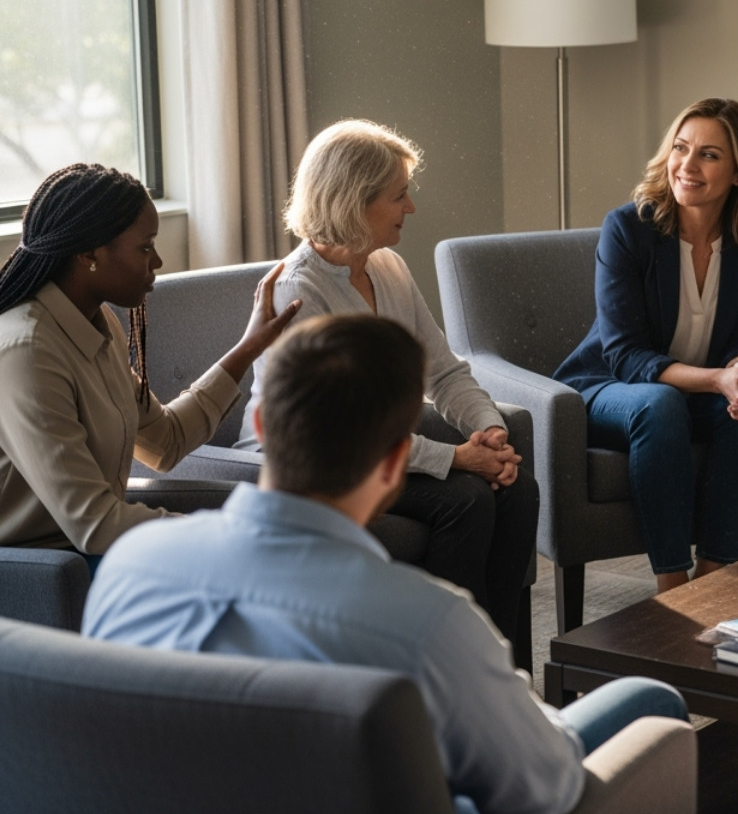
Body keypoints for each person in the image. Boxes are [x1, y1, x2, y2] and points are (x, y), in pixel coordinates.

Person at [84, 315, 688, 814]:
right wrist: (517, 706)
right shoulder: (426, 624)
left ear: (263, 425)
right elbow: (543, 792)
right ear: (399, 460)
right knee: (649, 701)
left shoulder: (130, 567)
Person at [233, 119, 536, 646]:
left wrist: (490, 431)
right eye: (399, 196)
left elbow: (443, 370)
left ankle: (502, 659)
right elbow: (339, 426)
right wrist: (458, 458)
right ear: (355, 201)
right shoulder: (296, 291)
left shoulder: (389, 266)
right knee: (466, 498)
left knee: (518, 491)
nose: (410, 208)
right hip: (314, 459)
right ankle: (444, 655)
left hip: (378, 447)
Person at [0, 164, 298, 562]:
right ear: (89, 253)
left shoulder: (97, 320)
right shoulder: (27, 352)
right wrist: (223, 534)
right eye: (145, 247)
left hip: (95, 550)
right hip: (44, 570)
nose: (157, 260)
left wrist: (250, 347)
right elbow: (96, 526)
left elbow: (164, 442)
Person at [553, 97, 738, 593]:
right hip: (608, 387)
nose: (687, 165)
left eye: (709, 155)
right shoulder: (628, 228)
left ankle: (715, 574)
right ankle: (673, 586)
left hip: (692, 391)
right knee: (660, 404)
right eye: (681, 148)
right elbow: (624, 355)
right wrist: (717, 379)